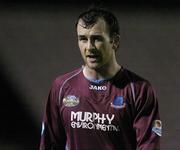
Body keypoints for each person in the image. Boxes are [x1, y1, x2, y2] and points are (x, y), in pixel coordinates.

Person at [39, 7, 162, 150]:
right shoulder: (61, 87)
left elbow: (148, 145)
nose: (89, 47)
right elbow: (49, 144)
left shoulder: (139, 90)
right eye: (83, 39)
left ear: (114, 41)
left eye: (97, 39)